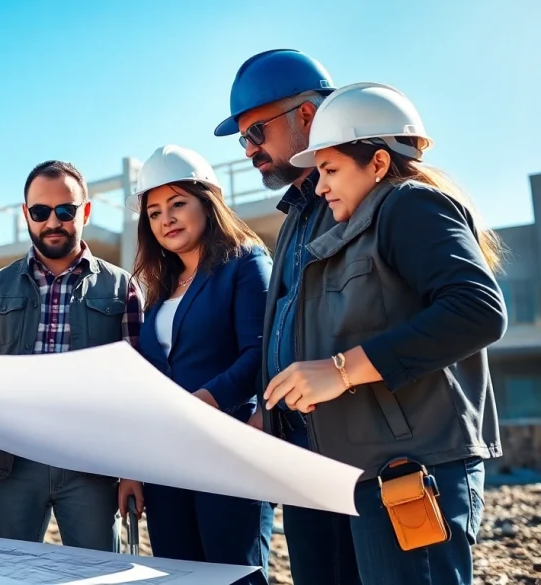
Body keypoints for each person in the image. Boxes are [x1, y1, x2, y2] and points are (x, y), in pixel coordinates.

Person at [263, 81, 506, 585]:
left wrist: (340, 371)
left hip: (413, 472)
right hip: (354, 471)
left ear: (376, 162)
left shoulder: (410, 205)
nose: (321, 185)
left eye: (330, 170)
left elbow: (478, 310)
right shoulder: (352, 225)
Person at [214, 48, 363, 585]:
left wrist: (342, 370)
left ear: (306, 114)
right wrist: (269, 416)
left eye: (256, 133)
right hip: (301, 452)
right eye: (243, 140)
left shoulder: (362, 199)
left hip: (363, 454)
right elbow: (284, 333)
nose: (250, 149)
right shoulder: (295, 220)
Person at [0, 160, 143, 553]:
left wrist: (133, 469)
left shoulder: (122, 288)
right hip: (12, 464)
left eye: (66, 211)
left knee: (98, 577)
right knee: (4, 577)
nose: (53, 222)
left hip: (92, 467)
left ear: (86, 212)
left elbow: (138, 389)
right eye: (41, 212)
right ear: (26, 214)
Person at [116, 145, 273, 584]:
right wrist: (134, 464)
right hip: (167, 459)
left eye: (178, 203)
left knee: (233, 574)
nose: (166, 218)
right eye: (154, 212)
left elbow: (260, 353)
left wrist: (207, 399)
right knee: (179, 575)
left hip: (228, 450)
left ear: (208, 202)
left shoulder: (246, 262)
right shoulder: (161, 285)